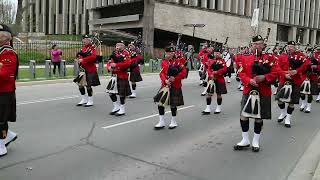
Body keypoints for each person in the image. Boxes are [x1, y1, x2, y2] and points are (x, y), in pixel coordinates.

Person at [234, 35, 278, 152]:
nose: (257, 46)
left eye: (260, 43)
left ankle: (255, 140)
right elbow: (241, 73)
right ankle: (245, 139)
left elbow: (276, 72)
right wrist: (249, 80)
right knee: (244, 115)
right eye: (255, 44)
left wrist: (264, 77)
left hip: (263, 90)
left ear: (264, 45)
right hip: (249, 89)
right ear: (251, 45)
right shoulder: (244, 57)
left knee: (259, 117)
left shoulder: (270, 57)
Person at [276, 41, 310, 128]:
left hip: (295, 80)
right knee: (279, 99)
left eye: (292, 46)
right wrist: (284, 74)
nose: (290, 48)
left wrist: (296, 71)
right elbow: (277, 68)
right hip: (284, 80)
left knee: (292, 101)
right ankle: (283, 113)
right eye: (289, 46)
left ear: (295, 47)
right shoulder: (282, 56)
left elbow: (306, 65)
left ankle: (288, 118)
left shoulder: (300, 55)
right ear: (286, 47)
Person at [154, 46, 187, 129]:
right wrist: (165, 80)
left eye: (171, 53)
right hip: (165, 85)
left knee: (173, 105)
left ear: (173, 53)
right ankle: (161, 121)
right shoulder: (164, 62)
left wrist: (175, 78)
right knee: (160, 104)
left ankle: (173, 121)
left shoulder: (178, 62)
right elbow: (161, 73)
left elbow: (184, 73)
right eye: (168, 53)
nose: (169, 54)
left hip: (175, 85)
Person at [0, 24, 19, 157]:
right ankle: (9, 135)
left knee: (0, 119)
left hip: (4, 91)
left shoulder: (8, 52)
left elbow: (5, 73)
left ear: (5, 37)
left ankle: (1, 146)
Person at [74, 35, 101, 107]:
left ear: (90, 40)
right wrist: (77, 59)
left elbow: (93, 57)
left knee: (88, 85)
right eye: (84, 39)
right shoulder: (83, 48)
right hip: (82, 69)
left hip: (90, 69)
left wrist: (83, 59)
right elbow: (80, 56)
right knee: (80, 85)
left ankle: (90, 100)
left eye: (86, 39)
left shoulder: (92, 48)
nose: (85, 41)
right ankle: (84, 99)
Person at [106, 42, 132, 116]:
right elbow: (109, 62)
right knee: (111, 92)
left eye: (120, 45)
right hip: (114, 76)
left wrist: (116, 65)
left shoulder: (126, 54)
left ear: (123, 47)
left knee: (122, 93)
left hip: (122, 76)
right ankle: (116, 106)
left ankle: (122, 109)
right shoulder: (114, 53)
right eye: (117, 45)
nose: (118, 47)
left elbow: (127, 63)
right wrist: (109, 67)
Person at [202, 46, 228, 115]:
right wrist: (211, 75)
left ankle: (218, 108)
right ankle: (208, 108)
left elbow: (224, 69)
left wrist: (217, 72)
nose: (216, 54)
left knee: (219, 94)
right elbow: (209, 69)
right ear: (214, 54)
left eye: (218, 53)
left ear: (220, 54)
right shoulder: (211, 60)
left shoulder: (222, 61)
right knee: (209, 94)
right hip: (212, 79)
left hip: (219, 79)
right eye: (215, 53)